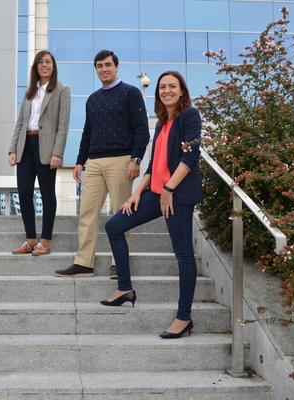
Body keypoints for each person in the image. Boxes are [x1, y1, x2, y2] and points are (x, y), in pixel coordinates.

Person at [102, 71, 202, 339]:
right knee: (114, 226)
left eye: (172, 86)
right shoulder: (161, 123)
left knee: (183, 256)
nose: (166, 90)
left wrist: (170, 188)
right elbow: (153, 164)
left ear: (182, 91)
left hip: (177, 197)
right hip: (155, 193)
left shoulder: (189, 117)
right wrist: (137, 193)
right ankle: (125, 288)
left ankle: (184, 317)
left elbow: (191, 157)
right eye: (162, 87)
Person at [54, 50, 149, 277]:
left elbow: (142, 130)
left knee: (121, 213)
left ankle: (120, 263)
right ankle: (84, 263)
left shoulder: (131, 93)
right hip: (94, 163)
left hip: (121, 161)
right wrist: (79, 162)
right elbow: (87, 133)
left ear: (117, 67)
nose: (104, 69)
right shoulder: (93, 99)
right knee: (87, 213)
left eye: (108, 65)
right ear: (96, 69)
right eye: (99, 66)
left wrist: (136, 159)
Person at [9, 50, 70, 256]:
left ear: (53, 66)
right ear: (36, 67)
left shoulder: (62, 90)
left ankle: (45, 241)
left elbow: (63, 125)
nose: (44, 65)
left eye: (48, 62)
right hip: (26, 145)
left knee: (47, 194)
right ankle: (30, 239)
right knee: (24, 193)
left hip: (46, 148)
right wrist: (12, 148)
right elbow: (20, 123)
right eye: (41, 62)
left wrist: (58, 152)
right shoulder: (29, 92)